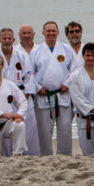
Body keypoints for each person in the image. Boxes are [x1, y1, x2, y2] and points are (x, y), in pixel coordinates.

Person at [30, 21, 76, 155]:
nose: (51, 33)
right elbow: (30, 73)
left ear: (58, 33)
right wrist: (38, 87)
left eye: (53, 31)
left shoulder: (66, 49)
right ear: (43, 33)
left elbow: (73, 70)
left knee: (65, 129)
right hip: (44, 96)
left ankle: (65, 155)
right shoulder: (36, 51)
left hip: (62, 94)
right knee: (44, 130)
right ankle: (45, 156)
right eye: (48, 31)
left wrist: (67, 84)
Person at [66, 43, 94, 155]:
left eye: (93, 55)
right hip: (86, 121)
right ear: (83, 56)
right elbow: (78, 101)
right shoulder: (75, 76)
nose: (91, 58)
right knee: (89, 155)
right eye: (88, 55)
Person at [6, 26, 41, 155]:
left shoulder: (22, 55)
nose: (26, 35)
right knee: (10, 127)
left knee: (31, 128)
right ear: (19, 35)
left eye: (29, 33)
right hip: (7, 98)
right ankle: (10, 155)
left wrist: (26, 94)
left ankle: (32, 155)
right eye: (24, 33)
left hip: (25, 95)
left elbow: (29, 74)